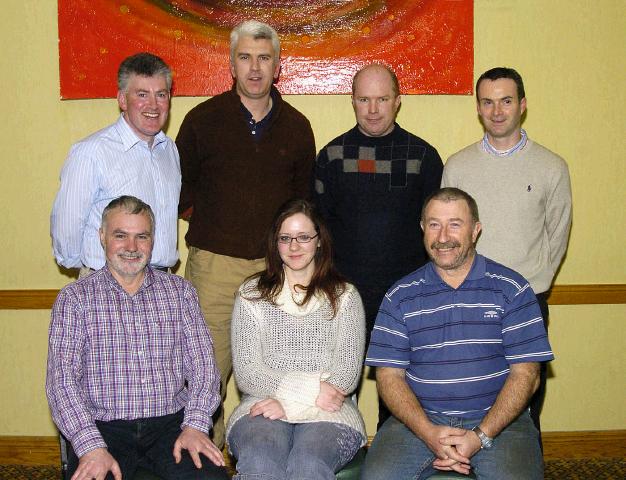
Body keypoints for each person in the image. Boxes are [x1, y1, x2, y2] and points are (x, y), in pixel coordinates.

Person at [176, 20, 316, 448]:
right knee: (204, 374)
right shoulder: (201, 120)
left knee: (276, 371)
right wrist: (225, 227)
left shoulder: (296, 126)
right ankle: (204, 461)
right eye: (245, 58)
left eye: (264, 58)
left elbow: (303, 202)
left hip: (276, 271)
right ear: (231, 63)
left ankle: (264, 461)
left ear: (277, 66)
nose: (254, 68)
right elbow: (180, 192)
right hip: (214, 267)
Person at [361, 188, 554, 480]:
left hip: (501, 422)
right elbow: (389, 378)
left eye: (455, 224)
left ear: (475, 230)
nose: (443, 237)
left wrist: (480, 436)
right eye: (434, 224)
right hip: (418, 420)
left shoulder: (512, 289)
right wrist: (428, 433)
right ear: (423, 229)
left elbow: (527, 375)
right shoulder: (399, 296)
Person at [46, 196, 229, 480]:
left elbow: (205, 368)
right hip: (103, 429)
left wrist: (194, 424)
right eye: (121, 236)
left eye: (141, 237)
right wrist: (89, 446)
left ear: (152, 240)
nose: (131, 247)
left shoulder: (180, 293)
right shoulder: (75, 299)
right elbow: (62, 383)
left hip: (172, 425)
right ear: (102, 237)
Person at [442, 67, 571, 435]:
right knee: (467, 405)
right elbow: (447, 238)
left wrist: (534, 288)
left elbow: (557, 237)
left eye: (506, 101)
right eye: (487, 102)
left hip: (525, 305)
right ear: (478, 108)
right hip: (466, 304)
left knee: (524, 412)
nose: (497, 111)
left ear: (522, 105)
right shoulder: (458, 166)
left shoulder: (551, 167)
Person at [314, 63, 443, 427]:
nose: (373, 109)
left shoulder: (422, 157)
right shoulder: (332, 157)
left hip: (406, 299)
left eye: (382, 99)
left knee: (401, 392)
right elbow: (317, 233)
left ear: (397, 101)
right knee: (338, 391)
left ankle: (392, 457)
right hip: (343, 297)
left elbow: (435, 234)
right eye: (364, 99)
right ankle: (343, 448)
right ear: (352, 102)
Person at [226, 199, 366, 480]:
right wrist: (308, 389)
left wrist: (287, 403)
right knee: (261, 462)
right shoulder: (251, 295)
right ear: (275, 243)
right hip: (262, 405)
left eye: (303, 237)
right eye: (285, 238)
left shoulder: (345, 296)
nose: (294, 247)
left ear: (319, 242)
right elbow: (248, 374)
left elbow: (346, 377)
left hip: (331, 412)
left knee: (308, 464)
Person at [51, 53, 180, 276]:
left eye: (161, 94)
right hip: (107, 284)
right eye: (142, 94)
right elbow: (66, 231)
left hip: (161, 285)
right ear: (122, 100)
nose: (153, 105)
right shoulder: (91, 152)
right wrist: (94, 275)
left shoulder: (169, 150)